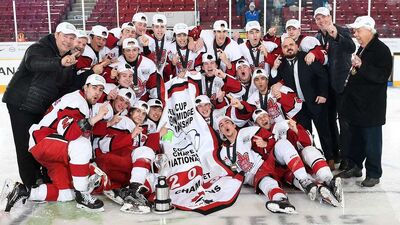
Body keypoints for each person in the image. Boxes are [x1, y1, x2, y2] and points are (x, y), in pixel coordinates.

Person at [4, 74, 113, 212]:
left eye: (101, 90)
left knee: (66, 194)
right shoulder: (76, 101)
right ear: (85, 87)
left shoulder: (81, 100)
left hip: (54, 150)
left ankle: (22, 191)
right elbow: (69, 132)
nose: (97, 92)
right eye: (94, 88)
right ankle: (83, 194)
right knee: (81, 145)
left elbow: (81, 128)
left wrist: (108, 123)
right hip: (44, 140)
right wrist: (97, 117)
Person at [2, 22, 78, 188]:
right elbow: (34, 63)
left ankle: (40, 177)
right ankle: (31, 183)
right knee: (25, 145)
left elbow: (67, 86)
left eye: (72, 38)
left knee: (39, 142)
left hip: (41, 107)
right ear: (56, 35)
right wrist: (59, 63)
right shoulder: (39, 48)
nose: (68, 40)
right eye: (65, 36)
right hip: (21, 104)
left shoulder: (69, 57)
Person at [336, 16, 393, 187]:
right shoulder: (363, 48)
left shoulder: (381, 50)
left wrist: (361, 66)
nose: (355, 34)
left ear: (369, 30)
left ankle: (374, 173)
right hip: (357, 106)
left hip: (371, 108)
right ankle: (355, 166)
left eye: (358, 31)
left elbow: (381, 76)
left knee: (372, 143)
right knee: (357, 140)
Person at [270, 37, 334, 169]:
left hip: (315, 101)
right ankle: (314, 160)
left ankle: (330, 158)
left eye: (291, 45)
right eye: (285, 46)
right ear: (282, 50)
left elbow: (322, 75)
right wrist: (274, 68)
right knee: (306, 134)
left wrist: (323, 94)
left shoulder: (307, 58)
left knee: (324, 131)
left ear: (297, 46)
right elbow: (274, 82)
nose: (289, 47)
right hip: (298, 106)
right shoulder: (281, 64)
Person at [314, 7, 356, 170]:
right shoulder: (317, 37)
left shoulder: (341, 31)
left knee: (345, 124)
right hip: (327, 88)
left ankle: (347, 158)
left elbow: (351, 48)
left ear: (330, 17)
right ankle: (335, 153)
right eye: (318, 19)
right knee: (330, 122)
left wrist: (336, 35)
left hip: (342, 85)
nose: (321, 21)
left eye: (323, 17)